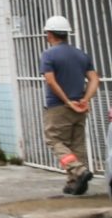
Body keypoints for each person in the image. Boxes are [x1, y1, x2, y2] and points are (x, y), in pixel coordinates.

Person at [40, 15, 100, 195]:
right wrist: (85, 99)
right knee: (77, 143)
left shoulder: (48, 54)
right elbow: (94, 79)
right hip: (80, 107)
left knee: (54, 140)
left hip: (59, 107)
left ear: (49, 34)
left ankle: (78, 170)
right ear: (67, 34)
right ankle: (75, 183)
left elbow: (50, 81)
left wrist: (66, 101)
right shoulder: (81, 54)